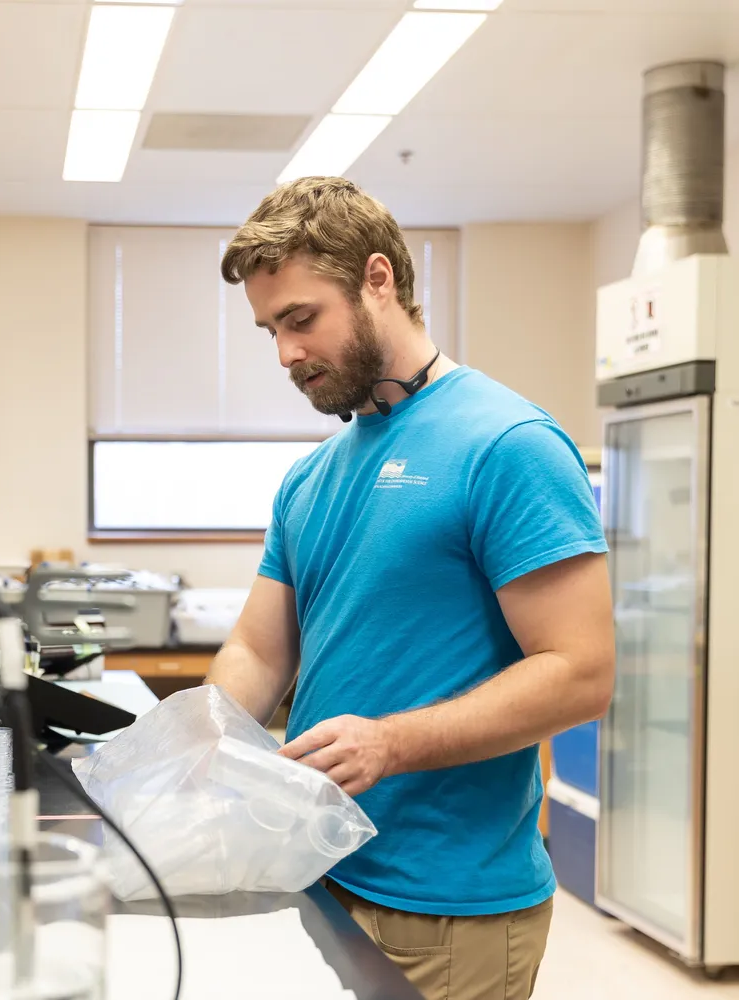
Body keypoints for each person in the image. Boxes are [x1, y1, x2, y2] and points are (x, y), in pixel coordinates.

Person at [205, 176, 615, 1000]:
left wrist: (389, 744)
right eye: (269, 329)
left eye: (301, 319)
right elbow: (259, 647)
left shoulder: (507, 444)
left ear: (379, 279)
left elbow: (581, 671)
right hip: (319, 871)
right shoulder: (312, 475)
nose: (285, 353)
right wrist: (194, 744)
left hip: (445, 908)